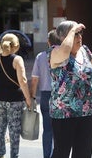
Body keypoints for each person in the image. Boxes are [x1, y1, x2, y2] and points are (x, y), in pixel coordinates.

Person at [47, 20, 92, 158]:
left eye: (80, 33)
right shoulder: (55, 52)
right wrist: (72, 30)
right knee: (62, 152)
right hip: (64, 112)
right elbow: (65, 51)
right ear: (63, 37)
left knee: (83, 153)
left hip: (86, 111)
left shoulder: (84, 50)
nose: (79, 37)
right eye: (75, 34)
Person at [0, 33, 32, 158]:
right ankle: (14, 155)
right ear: (16, 46)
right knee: (14, 130)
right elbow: (23, 81)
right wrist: (28, 98)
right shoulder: (17, 59)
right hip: (15, 99)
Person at [30, 29, 61, 158]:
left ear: (48, 42)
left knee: (47, 130)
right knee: (60, 131)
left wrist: (32, 96)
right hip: (61, 95)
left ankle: (46, 156)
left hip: (45, 95)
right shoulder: (64, 55)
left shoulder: (40, 56)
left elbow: (35, 79)